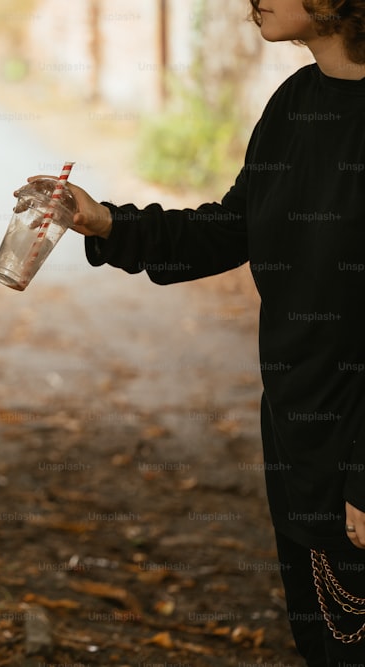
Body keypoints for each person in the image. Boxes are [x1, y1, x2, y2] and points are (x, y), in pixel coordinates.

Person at [41, 1, 365, 664]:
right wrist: (110, 224)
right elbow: (232, 228)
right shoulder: (294, 104)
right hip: (298, 436)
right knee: (322, 642)